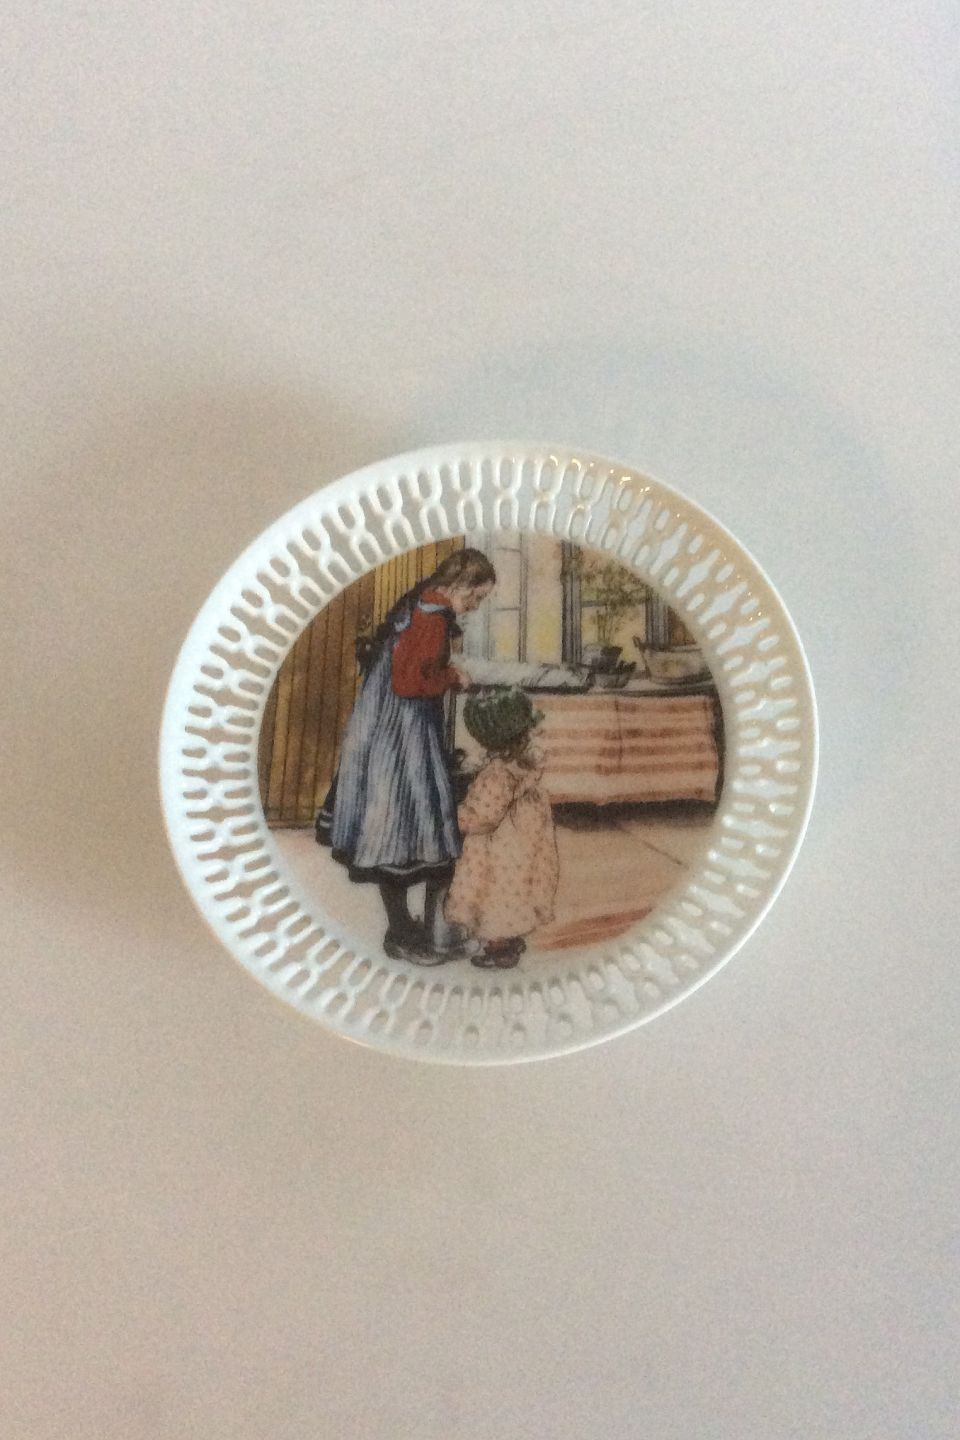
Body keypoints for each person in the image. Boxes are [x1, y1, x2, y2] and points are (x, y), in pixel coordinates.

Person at [315, 548, 496, 963]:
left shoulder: (419, 606)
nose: (476, 605)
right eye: (476, 596)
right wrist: (452, 676)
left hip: (384, 731)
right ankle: (402, 935)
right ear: (458, 585)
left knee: (392, 834)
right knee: (404, 831)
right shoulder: (431, 618)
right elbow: (410, 682)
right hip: (402, 738)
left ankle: (403, 930)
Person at [445, 686, 560, 968]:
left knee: (494, 892)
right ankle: (512, 936)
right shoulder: (524, 761)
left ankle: (499, 947)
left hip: (500, 845)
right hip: (524, 838)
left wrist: (452, 817)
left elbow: (483, 817)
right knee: (520, 885)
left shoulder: (496, 775)